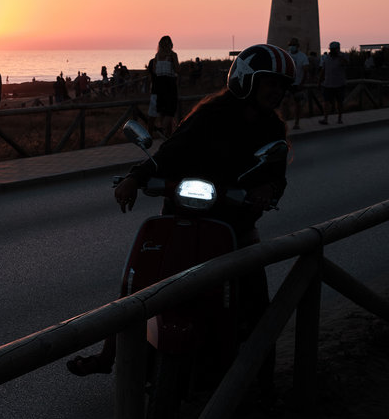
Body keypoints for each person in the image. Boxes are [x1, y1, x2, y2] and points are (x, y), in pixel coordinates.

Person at [65, 44, 294, 382]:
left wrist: (267, 191)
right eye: (270, 83)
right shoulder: (210, 114)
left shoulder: (273, 129)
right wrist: (135, 177)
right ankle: (108, 354)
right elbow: (171, 151)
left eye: (282, 86)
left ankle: (262, 381)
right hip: (184, 211)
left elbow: (277, 177)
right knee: (138, 282)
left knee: (258, 301)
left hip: (235, 221)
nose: (277, 92)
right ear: (247, 79)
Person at [147, 35, 180, 136]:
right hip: (169, 85)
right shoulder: (172, 55)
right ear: (171, 44)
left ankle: (164, 132)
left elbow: (154, 71)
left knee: (162, 110)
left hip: (158, 86)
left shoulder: (157, 56)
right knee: (170, 110)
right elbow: (177, 69)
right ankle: (163, 129)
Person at [283, 37, 310, 130]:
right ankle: (284, 122)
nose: (291, 47)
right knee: (284, 103)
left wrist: (302, 83)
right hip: (288, 84)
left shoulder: (302, 56)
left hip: (297, 84)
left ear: (298, 46)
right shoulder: (286, 55)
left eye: (293, 45)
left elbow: (306, 70)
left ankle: (296, 122)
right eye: (290, 45)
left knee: (297, 105)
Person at [318, 41, 346, 125]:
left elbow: (346, 64)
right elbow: (323, 70)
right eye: (331, 49)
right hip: (327, 84)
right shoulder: (326, 58)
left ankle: (339, 118)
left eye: (334, 49)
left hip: (339, 84)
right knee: (326, 102)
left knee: (339, 102)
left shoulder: (343, 56)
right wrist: (319, 81)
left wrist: (339, 56)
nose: (332, 51)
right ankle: (325, 119)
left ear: (337, 49)